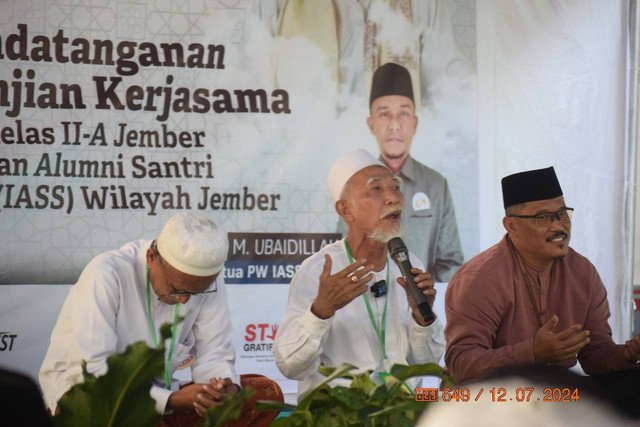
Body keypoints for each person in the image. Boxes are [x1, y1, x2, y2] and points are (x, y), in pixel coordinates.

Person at [39, 212, 282, 425]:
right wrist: (172, 400)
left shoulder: (209, 283)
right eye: (177, 288)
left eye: (195, 292)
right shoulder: (106, 274)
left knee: (265, 394)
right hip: (91, 403)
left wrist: (222, 388)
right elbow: (94, 375)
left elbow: (214, 353)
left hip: (165, 402)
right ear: (151, 258)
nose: (185, 300)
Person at [444, 167, 640, 415]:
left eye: (562, 214)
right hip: (487, 398)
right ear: (511, 226)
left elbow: (595, 355)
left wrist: (628, 354)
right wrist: (533, 353)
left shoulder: (582, 273)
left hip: (550, 393)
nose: (558, 226)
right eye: (543, 218)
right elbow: (462, 364)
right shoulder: (480, 278)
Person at [274, 149, 445, 400]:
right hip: (338, 414)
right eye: (376, 189)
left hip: (400, 411)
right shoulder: (318, 271)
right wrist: (321, 310)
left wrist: (423, 318)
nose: (393, 198)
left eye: (395, 187)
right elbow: (290, 366)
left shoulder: (408, 263)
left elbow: (427, 359)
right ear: (345, 210)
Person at [338, 62, 464, 282]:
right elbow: (345, 253)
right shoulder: (354, 186)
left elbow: (451, 261)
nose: (394, 125)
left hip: (421, 304)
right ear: (371, 124)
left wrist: (426, 294)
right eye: (384, 114)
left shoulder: (436, 185)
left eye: (403, 114)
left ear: (414, 123)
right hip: (368, 303)